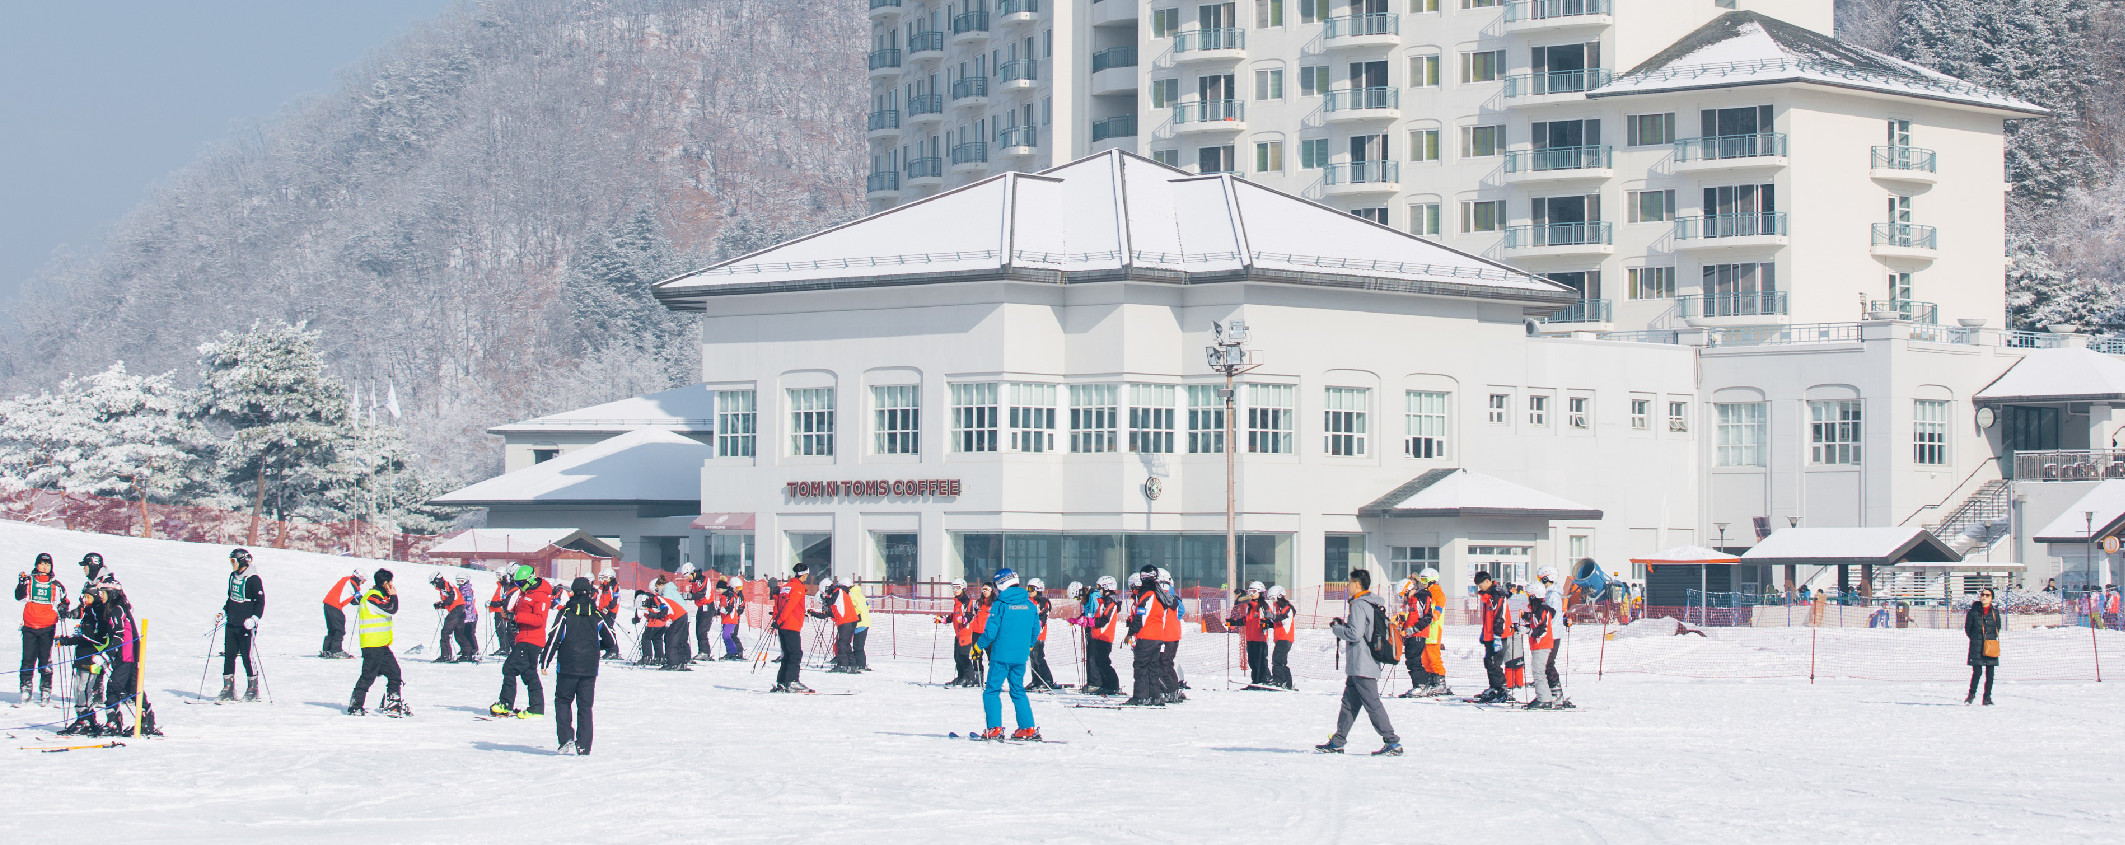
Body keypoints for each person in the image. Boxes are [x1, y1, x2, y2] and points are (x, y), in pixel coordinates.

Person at [1317, 569, 1401, 756]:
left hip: (1362, 665)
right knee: (1349, 703)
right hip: (1361, 664)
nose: (1347, 587)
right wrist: (1344, 626)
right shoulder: (1371, 603)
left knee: (1372, 704)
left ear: (1357, 584)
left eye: (1349, 583)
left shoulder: (1359, 605)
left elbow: (1355, 634)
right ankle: (1338, 741)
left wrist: (1337, 629)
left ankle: (1392, 742)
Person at [975, 569, 1042, 741]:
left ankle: (994, 728)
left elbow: (990, 632)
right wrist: (1029, 646)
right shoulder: (1030, 605)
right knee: (1018, 690)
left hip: (1001, 657)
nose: (997, 591)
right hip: (1020, 656)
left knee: (991, 690)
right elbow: (1036, 629)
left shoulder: (1001, 604)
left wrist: (978, 646)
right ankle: (1027, 728)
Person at [543, 576, 604, 755]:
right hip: (589, 668)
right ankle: (584, 745)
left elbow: (554, 638)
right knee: (585, 707)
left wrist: (545, 660)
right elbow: (611, 639)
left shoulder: (565, 613)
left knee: (563, 701)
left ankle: (566, 738)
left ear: (572, 593)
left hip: (567, 666)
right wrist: (596, 648)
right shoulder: (597, 614)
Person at [490, 564, 552, 717]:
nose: (519, 586)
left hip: (532, 640)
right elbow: (520, 613)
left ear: (530, 580)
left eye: (521, 583)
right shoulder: (526, 593)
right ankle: (536, 708)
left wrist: (517, 617)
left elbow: (539, 619)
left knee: (509, 668)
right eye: (517, 583)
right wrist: (509, 615)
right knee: (529, 673)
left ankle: (506, 703)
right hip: (523, 638)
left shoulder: (540, 595)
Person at [348, 569, 409, 716]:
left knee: (395, 674)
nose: (392, 586)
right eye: (390, 583)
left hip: (381, 645)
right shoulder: (372, 597)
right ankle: (355, 706)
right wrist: (393, 595)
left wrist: (389, 595)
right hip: (372, 645)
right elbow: (391, 609)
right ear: (384, 583)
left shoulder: (379, 596)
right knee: (368, 676)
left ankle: (393, 703)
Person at [1124, 567, 1182, 706]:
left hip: (1146, 635)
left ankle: (1141, 696)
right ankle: (1155, 696)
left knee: (1141, 666)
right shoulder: (1159, 594)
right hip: (1158, 636)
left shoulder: (1146, 595)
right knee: (1153, 668)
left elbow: (1141, 617)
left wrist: (1130, 633)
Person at [16, 553, 67, 705]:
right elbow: (19, 596)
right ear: (36, 565)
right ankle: (26, 688)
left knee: (45, 659)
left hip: (47, 626)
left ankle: (45, 689)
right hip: (30, 626)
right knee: (28, 659)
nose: (44, 567)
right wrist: (21, 584)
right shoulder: (29, 581)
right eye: (42, 563)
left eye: (48, 564)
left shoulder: (56, 585)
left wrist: (64, 608)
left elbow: (64, 601)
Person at [219, 548, 265, 703]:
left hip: (246, 625)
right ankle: (228, 689)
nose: (232, 565)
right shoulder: (233, 577)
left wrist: (254, 618)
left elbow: (260, 602)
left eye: (234, 561)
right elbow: (231, 597)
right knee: (229, 656)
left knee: (247, 656)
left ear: (243, 561)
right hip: (232, 623)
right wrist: (224, 612)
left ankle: (252, 688)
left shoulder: (253, 579)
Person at [771, 565, 813, 693]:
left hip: (782, 625)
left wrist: (776, 620)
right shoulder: (798, 587)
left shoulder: (786, 587)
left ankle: (782, 681)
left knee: (787, 654)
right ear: (804, 574)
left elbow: (778, 602)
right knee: (795, 653)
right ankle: (792, 680)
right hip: (791, 624)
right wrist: (780, 619)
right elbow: (790, 606)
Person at [1472, 571, 1512, 703]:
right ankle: (1494, 687)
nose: (1480, 588)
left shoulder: (1497, 595)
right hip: (1490, 634)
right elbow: (1487, 618)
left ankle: (1502, 689)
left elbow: (1499, 616)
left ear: (1487, 581)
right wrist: (1485, 633)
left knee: (1494, 662)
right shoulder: (1488, 596)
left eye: (1480, 584)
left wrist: (1497, 636)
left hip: (1499, 634)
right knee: (1488, 661)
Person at [1521, 592, 1567, 709]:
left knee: (1538, 672)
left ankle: (1544, 698)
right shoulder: (1538, 610)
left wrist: (1528, 631)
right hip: (1539, 645)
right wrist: (1524, 619)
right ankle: (1545, 697)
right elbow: (1536, 622)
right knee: (1539, 671)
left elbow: (1542, 629)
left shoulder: (1541, 610)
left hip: (1542, 644)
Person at [1080, 576, 1124, 695]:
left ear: (1107, 588)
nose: (1098, 590)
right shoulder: (1104, 601)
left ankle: (1113, 685)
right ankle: (1105, 684)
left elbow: (1104, 620)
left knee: (1104, 662)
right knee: (1099, 662)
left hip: (1104, 636)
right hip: (1098, 635)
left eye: (1099, 587)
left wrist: (1089, 622)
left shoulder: (1110, 601)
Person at [1227, 581, 1270, 686]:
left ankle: (1263, 680)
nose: (1252, 594)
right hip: (1250, 638)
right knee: (1252, 662)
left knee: (1260, 661)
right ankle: (1255, 681)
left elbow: (1269, 619)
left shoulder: (1263, 605)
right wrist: (1234, 622)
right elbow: (1246, 620)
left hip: (1260, 638)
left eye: (1254, 591)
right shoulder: (1250, 606)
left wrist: (1266, 623)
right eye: (1250, 591)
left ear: (1260, 592)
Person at [1965, 587, 2002, 706]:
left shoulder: (1994, 612)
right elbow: (1968, 629)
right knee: (1977, 672)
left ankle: (1987, 697)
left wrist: (1990, 639)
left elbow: (1998, 627)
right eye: (1982, 595)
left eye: (1987, 595)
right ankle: (1971, 695)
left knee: (1990, 673)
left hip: (1990, 646)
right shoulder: (1973, 612)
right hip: (1977, 646)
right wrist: (1976, 639)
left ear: (1991, 598)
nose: (1984, 597)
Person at [1536, 566, 1567, 701]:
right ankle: (1551, 690)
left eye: (1541, 579)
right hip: (1550, 633)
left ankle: (1556, 692)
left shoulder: (1552, 595)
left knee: (1548, 663)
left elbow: (1550, 615)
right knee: (1546, 664)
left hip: (1553, 634)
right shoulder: (1549, 594)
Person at [319, 570, 362, 659]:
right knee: (339, 629)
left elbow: (351, 599)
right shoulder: (352, 583)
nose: (362, 583)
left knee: (332, 629)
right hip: (334, 606)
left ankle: (327, 650)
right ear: (359, 578)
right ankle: (336, 650)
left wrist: (356, 602)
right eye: (363, 580)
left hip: (328, 605)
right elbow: (358, 597)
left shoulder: (346, 581)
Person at [1024, 578, 1058, 690]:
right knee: (1032, 658)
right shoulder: (1027, 601)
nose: (1028, 591)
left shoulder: (1043, 601)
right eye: (1027, 588)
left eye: (1031, 589)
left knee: (1039, 657)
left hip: (1038, 634)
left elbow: (1043, 616)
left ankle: (1047, 680)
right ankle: (1036, 680)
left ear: (1038, 589)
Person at [821, 575, 859, 673]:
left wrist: (825, 599)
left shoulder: (837, 591)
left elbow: (831, 602)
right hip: (850, 619)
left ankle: (843, 664)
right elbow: (834, 609)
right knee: (845, 643)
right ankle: (852, 665)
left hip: (846, 620)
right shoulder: (841, 592)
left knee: (841, 643)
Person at [946, 579, 979, 687]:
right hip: (958, 634)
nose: (955, 590)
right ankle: (961, 677)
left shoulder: (967, 601)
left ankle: (969, 678)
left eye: (957, 588)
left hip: (965, 633)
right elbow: (954, 616)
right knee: (957, 656)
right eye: (953, 588)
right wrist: (943, 620)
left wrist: (965, 619)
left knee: (963, 656)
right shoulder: (957, 602)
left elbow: (970, 614)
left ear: (963, 589)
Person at [430, 573, 469, 663]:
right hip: (458, 610)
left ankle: (446, 655)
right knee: (459, 633)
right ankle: (467, 654)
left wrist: (443, 604)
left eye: (433, 583)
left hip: (457, 610)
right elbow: (449, 601)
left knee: (445, 632)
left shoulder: (447, 585)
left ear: (437, 580)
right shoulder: (443, 588)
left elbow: (453, 597)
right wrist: (440, 605)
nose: (434, 585)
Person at [1265, 585, 1297, 690]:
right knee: (1281, 661)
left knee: (1277, 660)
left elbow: (1283, 618)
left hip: (1285, 638)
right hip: (1280, 638)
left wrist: (1273, 617)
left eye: (1273, 599)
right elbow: (1277, 622)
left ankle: (1279, 681)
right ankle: (1287, 683)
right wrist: (1267, 623)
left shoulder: (1287, 608)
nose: (1273, 602)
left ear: (1280, 596)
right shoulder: (1279, 609)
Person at [635, 590, 669, 665]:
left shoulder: (653, 599)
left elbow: (664, 608)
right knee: (657, 638)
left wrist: (655, 615)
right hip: (663, 623)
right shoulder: (651, 598)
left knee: (646, 637)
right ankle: (660, 657)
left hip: (655, 622)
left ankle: (647, 657)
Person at [716, 583, 747, 660]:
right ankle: (733, 652)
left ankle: (733, 652)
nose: (718, 591)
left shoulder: (730, 595)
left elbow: (733, 606)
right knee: (729, 635)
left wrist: (726, 610)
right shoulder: (727, 595)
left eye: (719, 589)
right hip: (729, 618)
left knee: (727, 635)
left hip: (731, 618)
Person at [486, 577, 514, 656]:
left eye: (500, 575)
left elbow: (503, 599)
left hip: (501, 610)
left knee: (503, 630)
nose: (499, 577)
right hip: (497, 610)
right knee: (499, 630)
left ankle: (505, 648)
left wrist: (494, 604)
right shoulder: (500, 586)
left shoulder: (506, 586)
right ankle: (503, 647)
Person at [849, 578, 873, 671]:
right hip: (866, 621)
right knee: (859, 645)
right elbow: (867, 606)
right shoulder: (860, 594)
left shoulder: (852, 595)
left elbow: (855, 607)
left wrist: (854, 615)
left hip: (860, 622)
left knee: (858, 646)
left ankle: (860, 664)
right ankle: (859, 663)